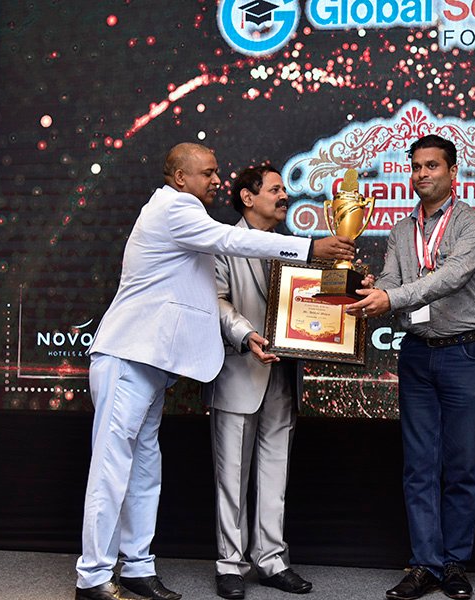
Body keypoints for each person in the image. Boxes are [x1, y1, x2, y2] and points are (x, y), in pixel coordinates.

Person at [75, 143, 355, 600]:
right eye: (207, 173)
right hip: (127, 356)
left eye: (216, 172)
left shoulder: (185, 216)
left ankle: (137, 567)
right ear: (180, 178)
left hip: (153, 363)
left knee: (144, 471)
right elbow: (232, 241)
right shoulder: (175, 209)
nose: (216, 180)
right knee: (111, 470)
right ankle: (92, 576)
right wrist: (309, 246)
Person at [347, 134, 475, 600]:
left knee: (462, 464)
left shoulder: (472, 224)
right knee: (419, 466)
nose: (422, 173)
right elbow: (393, 278)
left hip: (465, 353)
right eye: (415, 166)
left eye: (432, 165)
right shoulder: (400, 229)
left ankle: (455, 563)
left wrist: (391, 298)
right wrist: (372, 290)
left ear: (453, 172)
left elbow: (449, 278)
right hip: (417, 352)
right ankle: (425, 564)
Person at [204, 165, 312, 599]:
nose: (284, 196)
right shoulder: (222, 242)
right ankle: (230, 565)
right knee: (231, 475)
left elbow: (311, 303)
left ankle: (271, 560)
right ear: (248, 198)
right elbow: (214, 300)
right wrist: (246, 335)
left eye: (284, 189)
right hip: (238, 371)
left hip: (282, 374)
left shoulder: (291, 246)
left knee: (275, 472)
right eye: (275, 189)